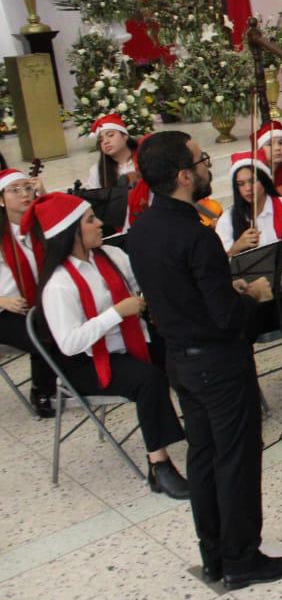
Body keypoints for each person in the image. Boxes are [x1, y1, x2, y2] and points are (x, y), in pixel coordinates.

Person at [129, 131, 282, 589]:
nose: (208, 167)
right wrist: (254, 295)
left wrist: (228, 289)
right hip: (219, 364)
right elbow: (226, 318)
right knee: (237, 461)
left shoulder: (142, 228)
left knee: (203, 460)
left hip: (180, 361)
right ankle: (243, 559)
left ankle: (214, 555)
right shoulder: (196, 235)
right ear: (184, 177)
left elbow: (182, 294)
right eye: (202, 161)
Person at [26, 192, 189, 498]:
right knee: (149, 380)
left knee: (182, 351)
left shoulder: (111, 256)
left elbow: (141, 280)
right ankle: (160, 465)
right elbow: (70, 342)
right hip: (86, 362)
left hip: (129, 342)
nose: (100, 223)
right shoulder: (58, 284)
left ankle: (200, 426)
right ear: (71, 232)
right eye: (91, 220)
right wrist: (115, 313)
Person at [216, 150, 282, 441]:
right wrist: (236, 247)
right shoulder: (228, 220)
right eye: (241, 184)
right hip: (253, 296)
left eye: (253, 181)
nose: (248, 188)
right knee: (238, 329)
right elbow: (216, 269)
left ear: (264, 180)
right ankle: (247, 404)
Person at [0, 169, 53, 415]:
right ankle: (42, 390)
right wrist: (2, 300)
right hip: (6, 310)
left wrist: (44, 195)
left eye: (27, 187)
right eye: (15, 190)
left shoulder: (40, 224)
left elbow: (67, 228)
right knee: (44, 334)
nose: (24, 194)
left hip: (39, 303)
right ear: (1, 199)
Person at [84, 113, 138, 189]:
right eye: (101, 139)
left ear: (125, 136)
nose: (105, 141)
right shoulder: (96, 171)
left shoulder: (144, 158)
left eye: (110, 135)